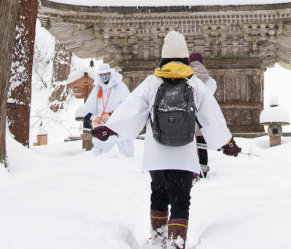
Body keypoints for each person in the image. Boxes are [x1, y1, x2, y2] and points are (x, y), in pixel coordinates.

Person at [92, 31, 241, 249]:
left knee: (159, 194)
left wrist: (110, 129)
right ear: (184, 56)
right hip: (184, 156)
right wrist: (227, 143)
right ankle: (176, 242)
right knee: (181, 200)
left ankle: (158, 238)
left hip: (156, 155)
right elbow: (212, 117)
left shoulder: (152, 82)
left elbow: (132, 109)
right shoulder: (194, 84)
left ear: (163, 56)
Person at [82, 62, 133, 157]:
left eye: (105, 74)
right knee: (99, 143)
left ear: (110, 74)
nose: (103, 77)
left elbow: (127, 103)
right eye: (101, 75)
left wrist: (117, 114)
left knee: (123, 142)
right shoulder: (97, 88)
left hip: (117, 120)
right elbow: (90, 104)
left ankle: (127, 160)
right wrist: (88, 115)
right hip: (101, 121)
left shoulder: (119, 86)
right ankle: (97, 161)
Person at [188, 51, 215, 178]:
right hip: (204, 117)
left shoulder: (188, 78)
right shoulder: (210, 81)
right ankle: (203, 166)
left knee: (190, 143)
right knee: (201, 143)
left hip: (189, 116)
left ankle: (191, 168)